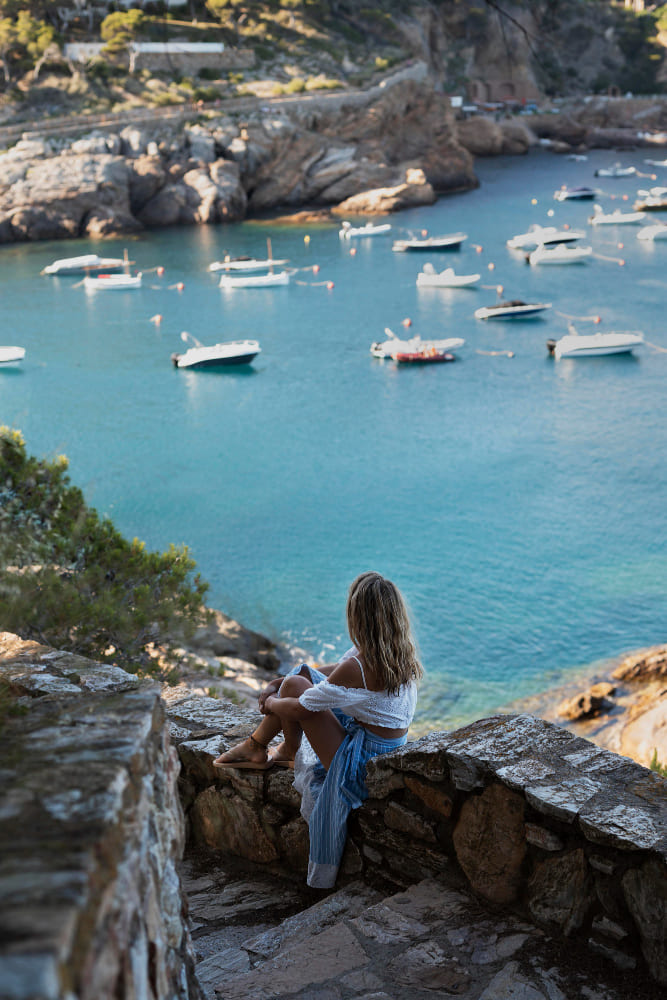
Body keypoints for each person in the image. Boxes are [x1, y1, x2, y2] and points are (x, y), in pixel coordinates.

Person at [214, 571, 422, 888]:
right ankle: (263, 747)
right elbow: (320, 673)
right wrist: (276, 683)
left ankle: (272, 748)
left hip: (361, 763)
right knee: (295, 681)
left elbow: (301, 708)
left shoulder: (360, 665)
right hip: (385, 748)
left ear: (357, 617)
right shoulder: (398, 652)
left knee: (295, 689)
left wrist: (271, 700)